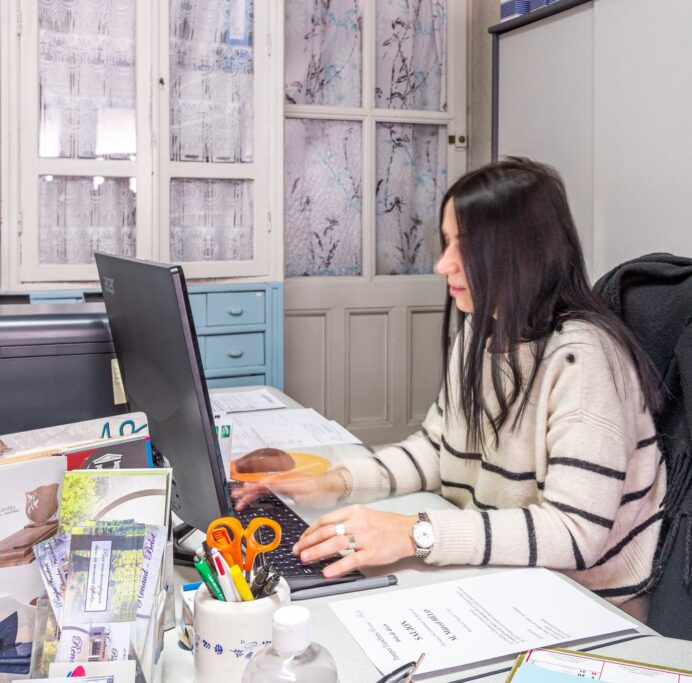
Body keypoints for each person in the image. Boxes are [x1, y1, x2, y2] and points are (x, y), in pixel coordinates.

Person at [234, 157, 667, 618]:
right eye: (447, 242)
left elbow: (574, 534)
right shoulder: (483, 331)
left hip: (586, 604)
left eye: (467, 247)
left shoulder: (584, 360)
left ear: (523, 253)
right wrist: (332, 483)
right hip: (507, 580)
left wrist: (413, 533)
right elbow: (438, 449)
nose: (443, 264)